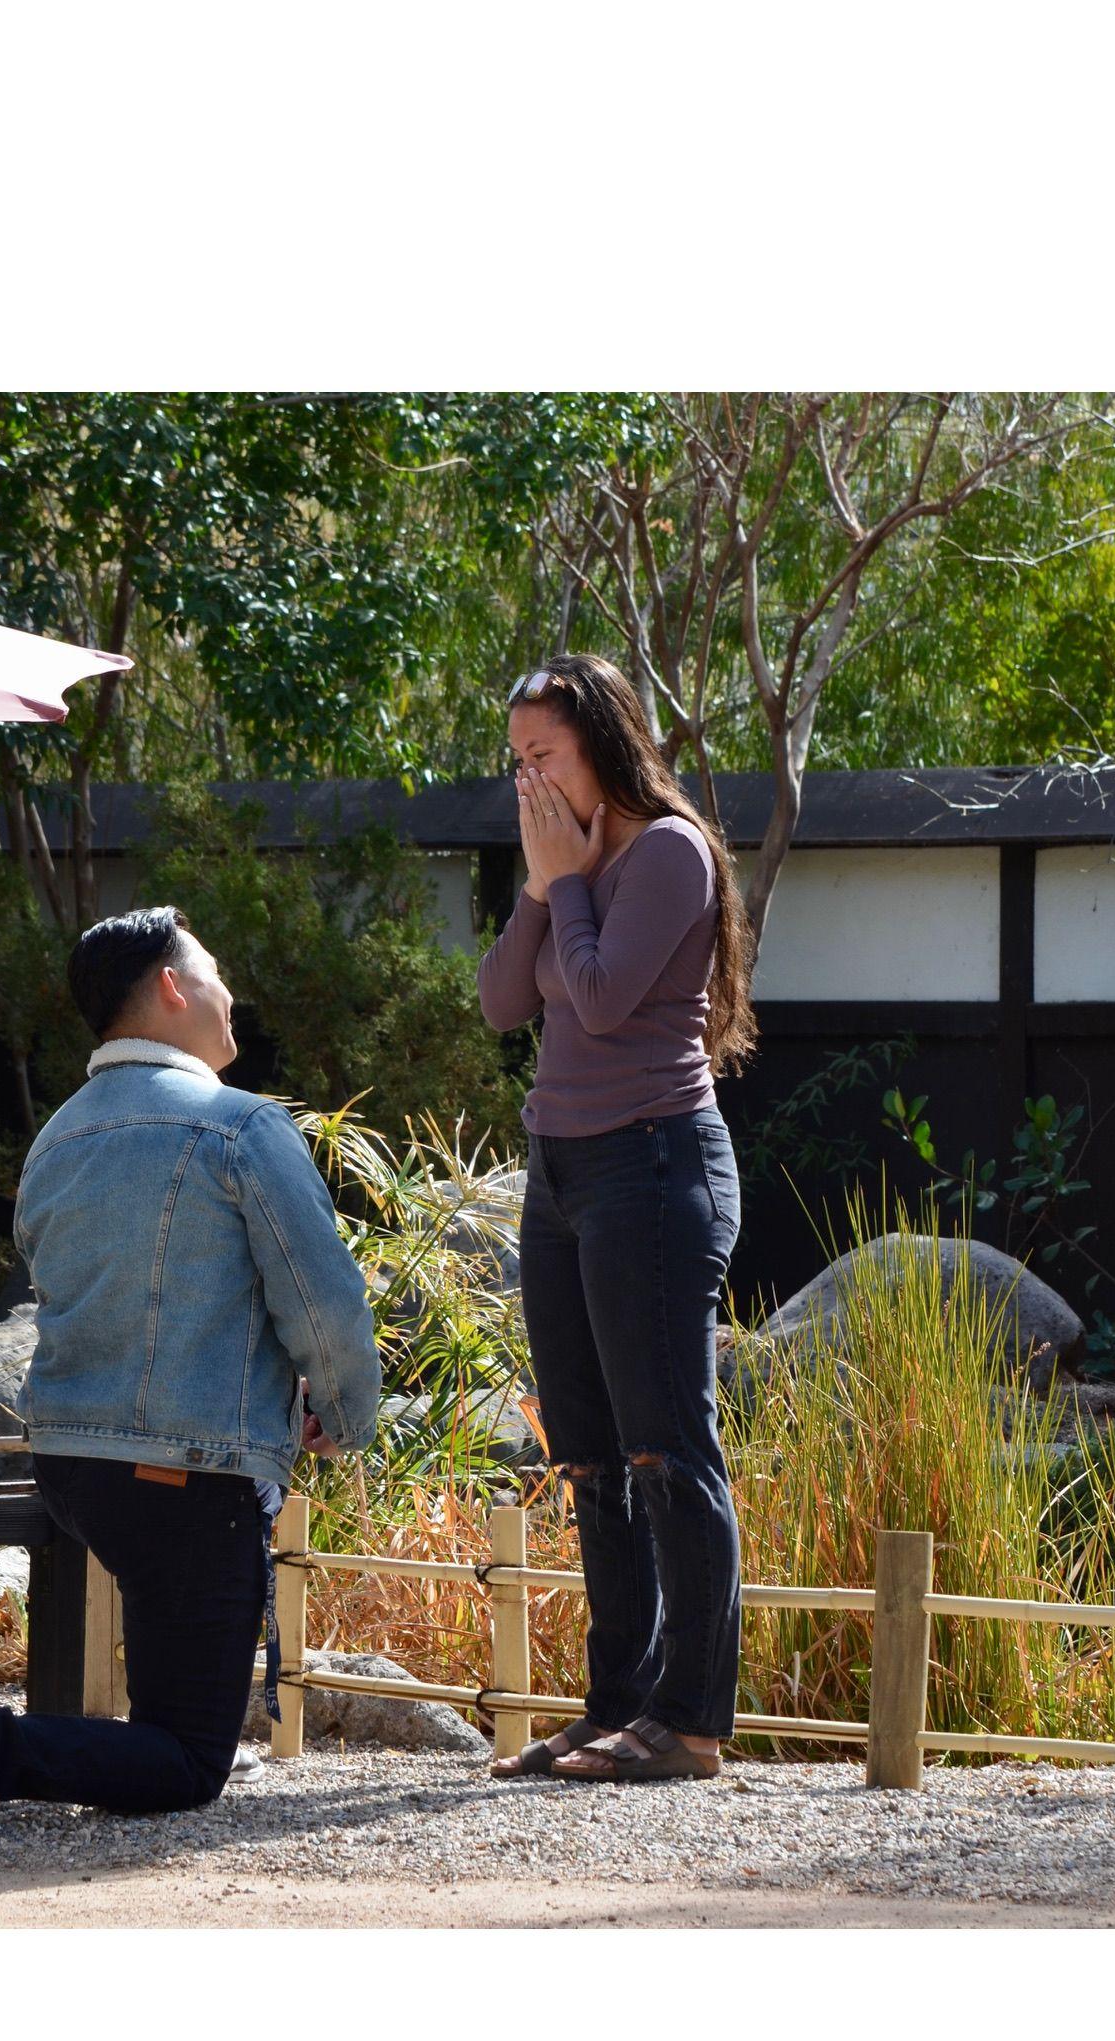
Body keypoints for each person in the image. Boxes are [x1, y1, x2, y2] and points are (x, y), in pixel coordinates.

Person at [0, 906, 381, 1841]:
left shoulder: (57, 1137)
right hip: (184, 1476)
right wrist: (343, 1410)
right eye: (213, 971)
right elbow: (321, 1298)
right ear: (171, 987)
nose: (228, 994)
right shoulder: (238, 1127)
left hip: (75, 1472)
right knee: (184, 1762)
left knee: (173, 1726)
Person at [476, 654, 756, 1782]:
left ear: (600, 742)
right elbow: (504, 1002)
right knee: (590, 1458)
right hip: (560, 1175)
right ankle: (615, 1704)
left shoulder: (669, 854)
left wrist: (570, 882)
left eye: (542, 754)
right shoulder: (565, 865)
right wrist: (543, 886)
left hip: (652, 1166)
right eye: (516, 760)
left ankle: (689, 1720)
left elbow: (595, 995)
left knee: (666, 1447)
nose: (527, 777)